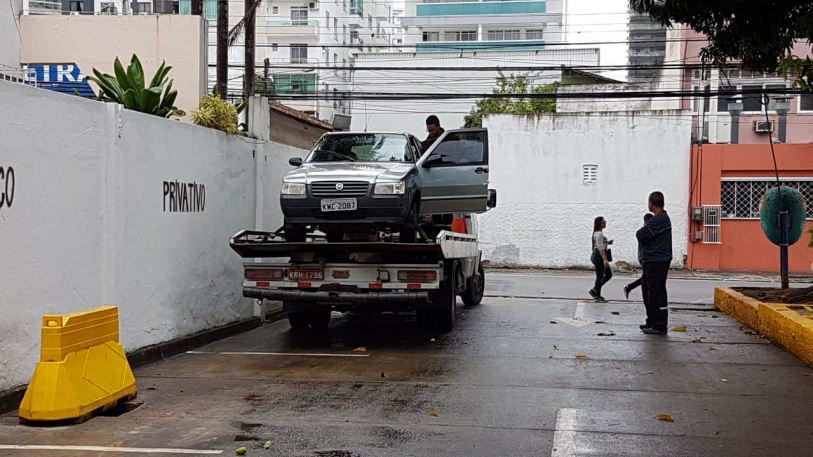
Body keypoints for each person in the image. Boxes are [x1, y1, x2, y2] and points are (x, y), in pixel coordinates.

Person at [636, 191, 673, 335]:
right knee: (648, 291)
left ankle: (659, 324)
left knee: (656, 293)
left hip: (657, 261)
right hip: (652, 260)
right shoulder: (658, 219)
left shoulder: (660, 220)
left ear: (651, 203)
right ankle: (651, 320)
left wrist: (644, 228)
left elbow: (641, 235)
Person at [623, 213, 654, 300]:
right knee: (647, 277)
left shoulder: (646, 231)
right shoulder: (643, 232)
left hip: (643, 257)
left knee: (646, 276)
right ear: (647, 221)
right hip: (644, 258)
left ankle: (629, 287)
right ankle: (630, 287)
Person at [589, 216, 613, 301]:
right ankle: (597, 294)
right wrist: (605, 260)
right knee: (600, 276)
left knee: (608, 274)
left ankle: (595, 289)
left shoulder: (598, 233)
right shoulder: (599, 234)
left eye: (605, 221)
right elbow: (600, 248)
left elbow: (600, 244)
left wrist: (607, 242)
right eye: (603, 222)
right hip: (599, 256)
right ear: (599, 224)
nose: (605, 223)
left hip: (599, 255)